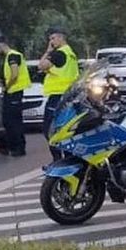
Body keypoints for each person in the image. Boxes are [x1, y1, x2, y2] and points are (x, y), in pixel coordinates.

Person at [38, 27, 79, 161]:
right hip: (69, 95)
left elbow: (42, 66)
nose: (51, 42)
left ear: (61, 38)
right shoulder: (70, 52)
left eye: (53, 38)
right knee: (65, 127)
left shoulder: (59, 53)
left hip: (57, 96)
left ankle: (58, 158)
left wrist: (48, 51)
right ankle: (69, 155)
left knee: (49, 129)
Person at [0, 36, 30, 157]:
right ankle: (16, 147)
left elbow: (14, 75)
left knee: (12, 122)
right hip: (13, 93)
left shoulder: (13, 56)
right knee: (13, 121)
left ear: (1, 45)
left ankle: (17, 148)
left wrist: (6, 87)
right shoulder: (10, 56)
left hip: (14, 92)